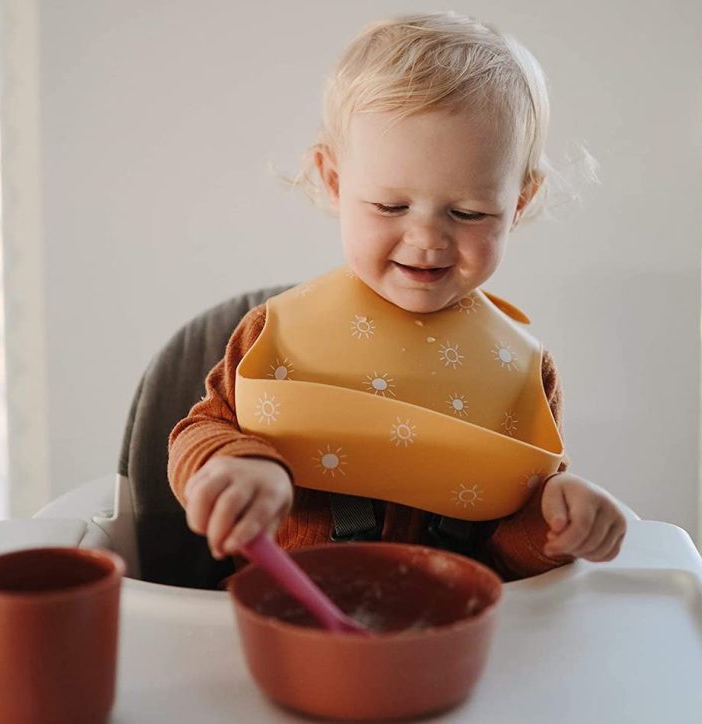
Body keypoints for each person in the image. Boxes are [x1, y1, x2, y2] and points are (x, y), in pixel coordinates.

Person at [167, 11, 626, 581]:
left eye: (469, 213)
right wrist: (234, 465)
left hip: (447, 626)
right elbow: (198, 431)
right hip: (289, 613)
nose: (427, 239)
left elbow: (509, 555)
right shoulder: (277, 336)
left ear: (520, 202)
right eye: (390, 206)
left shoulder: (520, 374)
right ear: (334, 181)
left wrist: (556, 525)